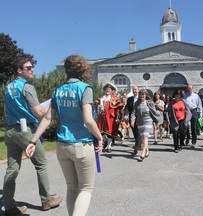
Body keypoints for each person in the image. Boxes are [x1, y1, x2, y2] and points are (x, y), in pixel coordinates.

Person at [25, 54, 103, 216]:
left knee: (72, 188)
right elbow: (88, 120)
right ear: (83, 69)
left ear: (66, 70)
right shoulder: (85, 88)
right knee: (86, 189)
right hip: (81, 144)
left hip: (62, 147)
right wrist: (100, 137)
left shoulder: (58, 91)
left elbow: (47, 118)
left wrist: (33, 141)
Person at [3, 56, 63, 215]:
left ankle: (8, 205)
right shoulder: (27, 87)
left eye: (32, 67)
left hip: (10, 130)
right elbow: (38, 112)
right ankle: (46, 200)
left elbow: (6, 111)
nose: (32, 70)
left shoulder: (8, 87)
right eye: (28, 68)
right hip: (26, 130)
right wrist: (53, 102)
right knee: (41, 164)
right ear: (19, 71)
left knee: (12, 168)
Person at [131, 89, 160, 161]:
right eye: (141, 94)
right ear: (139, 95)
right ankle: (147, 150)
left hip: (148, 121)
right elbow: (133, 113)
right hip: (140, 122)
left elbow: (154, 112)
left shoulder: (149, 103)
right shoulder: (136, 103)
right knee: (143, 138)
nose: (142, 96)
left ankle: (143, 153)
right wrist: (132, 120)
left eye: (144, 94)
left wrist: (158, 114)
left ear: (146, 95)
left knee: (145, 137)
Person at [97, 82, 123, 152]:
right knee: (101, 132)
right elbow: (97, 104)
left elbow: (118, 108)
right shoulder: (102, 98)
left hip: (111, 118)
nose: (107, 90)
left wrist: (117, 116)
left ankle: (109, 146)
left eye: (109, 89)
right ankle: (105, 141)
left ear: (111, 90)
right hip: (102, 118)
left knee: (110, 132)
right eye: (106, 89)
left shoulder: (114, 98)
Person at [124, 86, 140, 152]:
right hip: (132, 117)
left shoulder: (141, 98)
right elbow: (127, 108)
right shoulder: (130, 99)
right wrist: (126, 115)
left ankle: (137, 145)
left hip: (140, 117)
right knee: (134, 131)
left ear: (138, 90)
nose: (134, 91)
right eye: (133, 90)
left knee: (139, 131)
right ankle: (137, 142)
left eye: (135, 89)